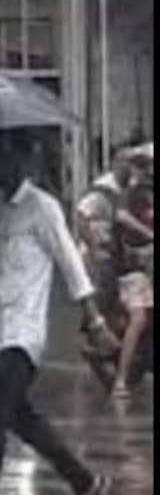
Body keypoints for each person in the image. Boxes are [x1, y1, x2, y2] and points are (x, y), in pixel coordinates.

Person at [0, 133, 117, 495]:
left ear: (18, 162)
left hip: (25, 332)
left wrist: (94, 320)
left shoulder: (42, 207)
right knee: (20, 418)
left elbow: (70, 263)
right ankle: (84, 482)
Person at [77, 149, 155, 399]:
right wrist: (148, 234)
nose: (147, 172)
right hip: (130, 267)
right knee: (138, 317)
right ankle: (120, 377)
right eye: (143, 166)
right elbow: (120, 218)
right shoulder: (126, 194)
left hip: (134, 265)